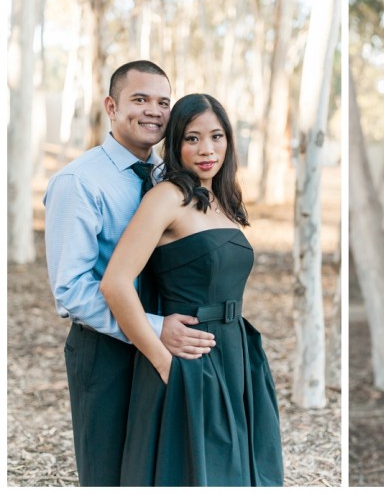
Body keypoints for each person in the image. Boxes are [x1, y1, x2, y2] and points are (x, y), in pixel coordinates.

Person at [43, 60, 216, 486]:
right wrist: (151, 328)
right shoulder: (79, 182)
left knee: (162, 470)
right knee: (111, 474)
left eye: (162, 102)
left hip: (173, 341)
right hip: (108, 351)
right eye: (139, 99)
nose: (153, 111)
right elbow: (71, 290)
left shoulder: (173, 178)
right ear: (112, 106)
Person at [100, 93, 283, 486]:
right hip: (190, 357)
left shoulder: (222, 200)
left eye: (216, 137)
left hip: (235, 354)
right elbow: (115, 283)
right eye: (192, 138)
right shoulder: (166, 198)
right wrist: (163, 361)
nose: (207, 149)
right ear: (175, 143)